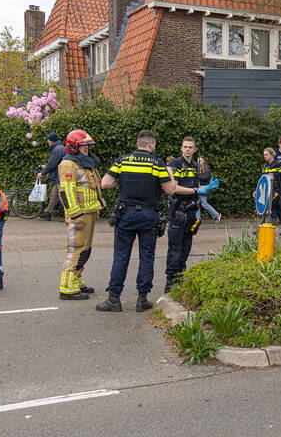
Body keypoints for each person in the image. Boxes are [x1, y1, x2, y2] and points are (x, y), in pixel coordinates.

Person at [95, 131, 212, 312]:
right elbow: (170, 190)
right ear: (151, 145)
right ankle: (142, 299)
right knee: (147, 256)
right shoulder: (157, 163)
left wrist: (123, 182)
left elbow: (105, 184)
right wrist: (168, 175)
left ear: (138, 143)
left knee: (120, 256)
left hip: (125, 215)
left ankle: (113, 299)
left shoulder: (123, 160)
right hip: (149, 216)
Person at [165, 137, 220, 291]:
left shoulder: (196, 166)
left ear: (195, 149)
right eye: (185, 147)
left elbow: (195, 185)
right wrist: (197, 190)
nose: (188, 149)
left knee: (186, 246)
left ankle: (180, 276)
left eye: (190, 147)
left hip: (191, 211)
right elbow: (173, 188)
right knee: (175, 247)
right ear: (181, 148)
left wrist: (208, 187)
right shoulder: (175, 164)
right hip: (178, 210)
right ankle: (170, 281)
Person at [57, 129, 106, 300]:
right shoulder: (69, 164)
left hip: (89, 212)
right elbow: (66, 192)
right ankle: (66, 287)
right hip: (79, 215)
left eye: (88, 146)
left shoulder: (84, 163)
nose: (87, 149)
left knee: (85, 249)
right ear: (74, 147)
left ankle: (76, 280)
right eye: (84, 146)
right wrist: (75, 215)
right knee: (76, 249)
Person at [37, 132, 65, 220]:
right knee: (54, 195)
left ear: (51, 140)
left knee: (62, 196)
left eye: (48, 140)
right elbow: (55, 162)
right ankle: (48, 213)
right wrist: (45, 166)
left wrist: (42, 173)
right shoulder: (59, 148)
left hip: (60, 176)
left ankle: (71, 214)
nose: (48, 142)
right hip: (59, 176)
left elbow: (52, 163)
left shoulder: (57, 149)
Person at [257, 146, 281, 227]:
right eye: (264, 154)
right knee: (277, 208)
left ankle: (263, 226)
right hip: (267, 190)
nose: (264, 156)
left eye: (266, 154)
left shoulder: (278, 165)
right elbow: (262, 179)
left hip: (276, 190)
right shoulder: (265, 166)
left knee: (268, 206)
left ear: (271, 154)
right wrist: (257, 190)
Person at [196, 155, 222, 223]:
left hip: (204, 189)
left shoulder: (207, 169)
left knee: (204, 204)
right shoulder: (198, 168)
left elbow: (205, 178)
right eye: (198, 161)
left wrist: (197, 175)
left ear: (204, 161)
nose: (199, 162)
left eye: (201, 161)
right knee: (197, 203)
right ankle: (197, 219)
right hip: (198, 188)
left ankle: (217, 215)